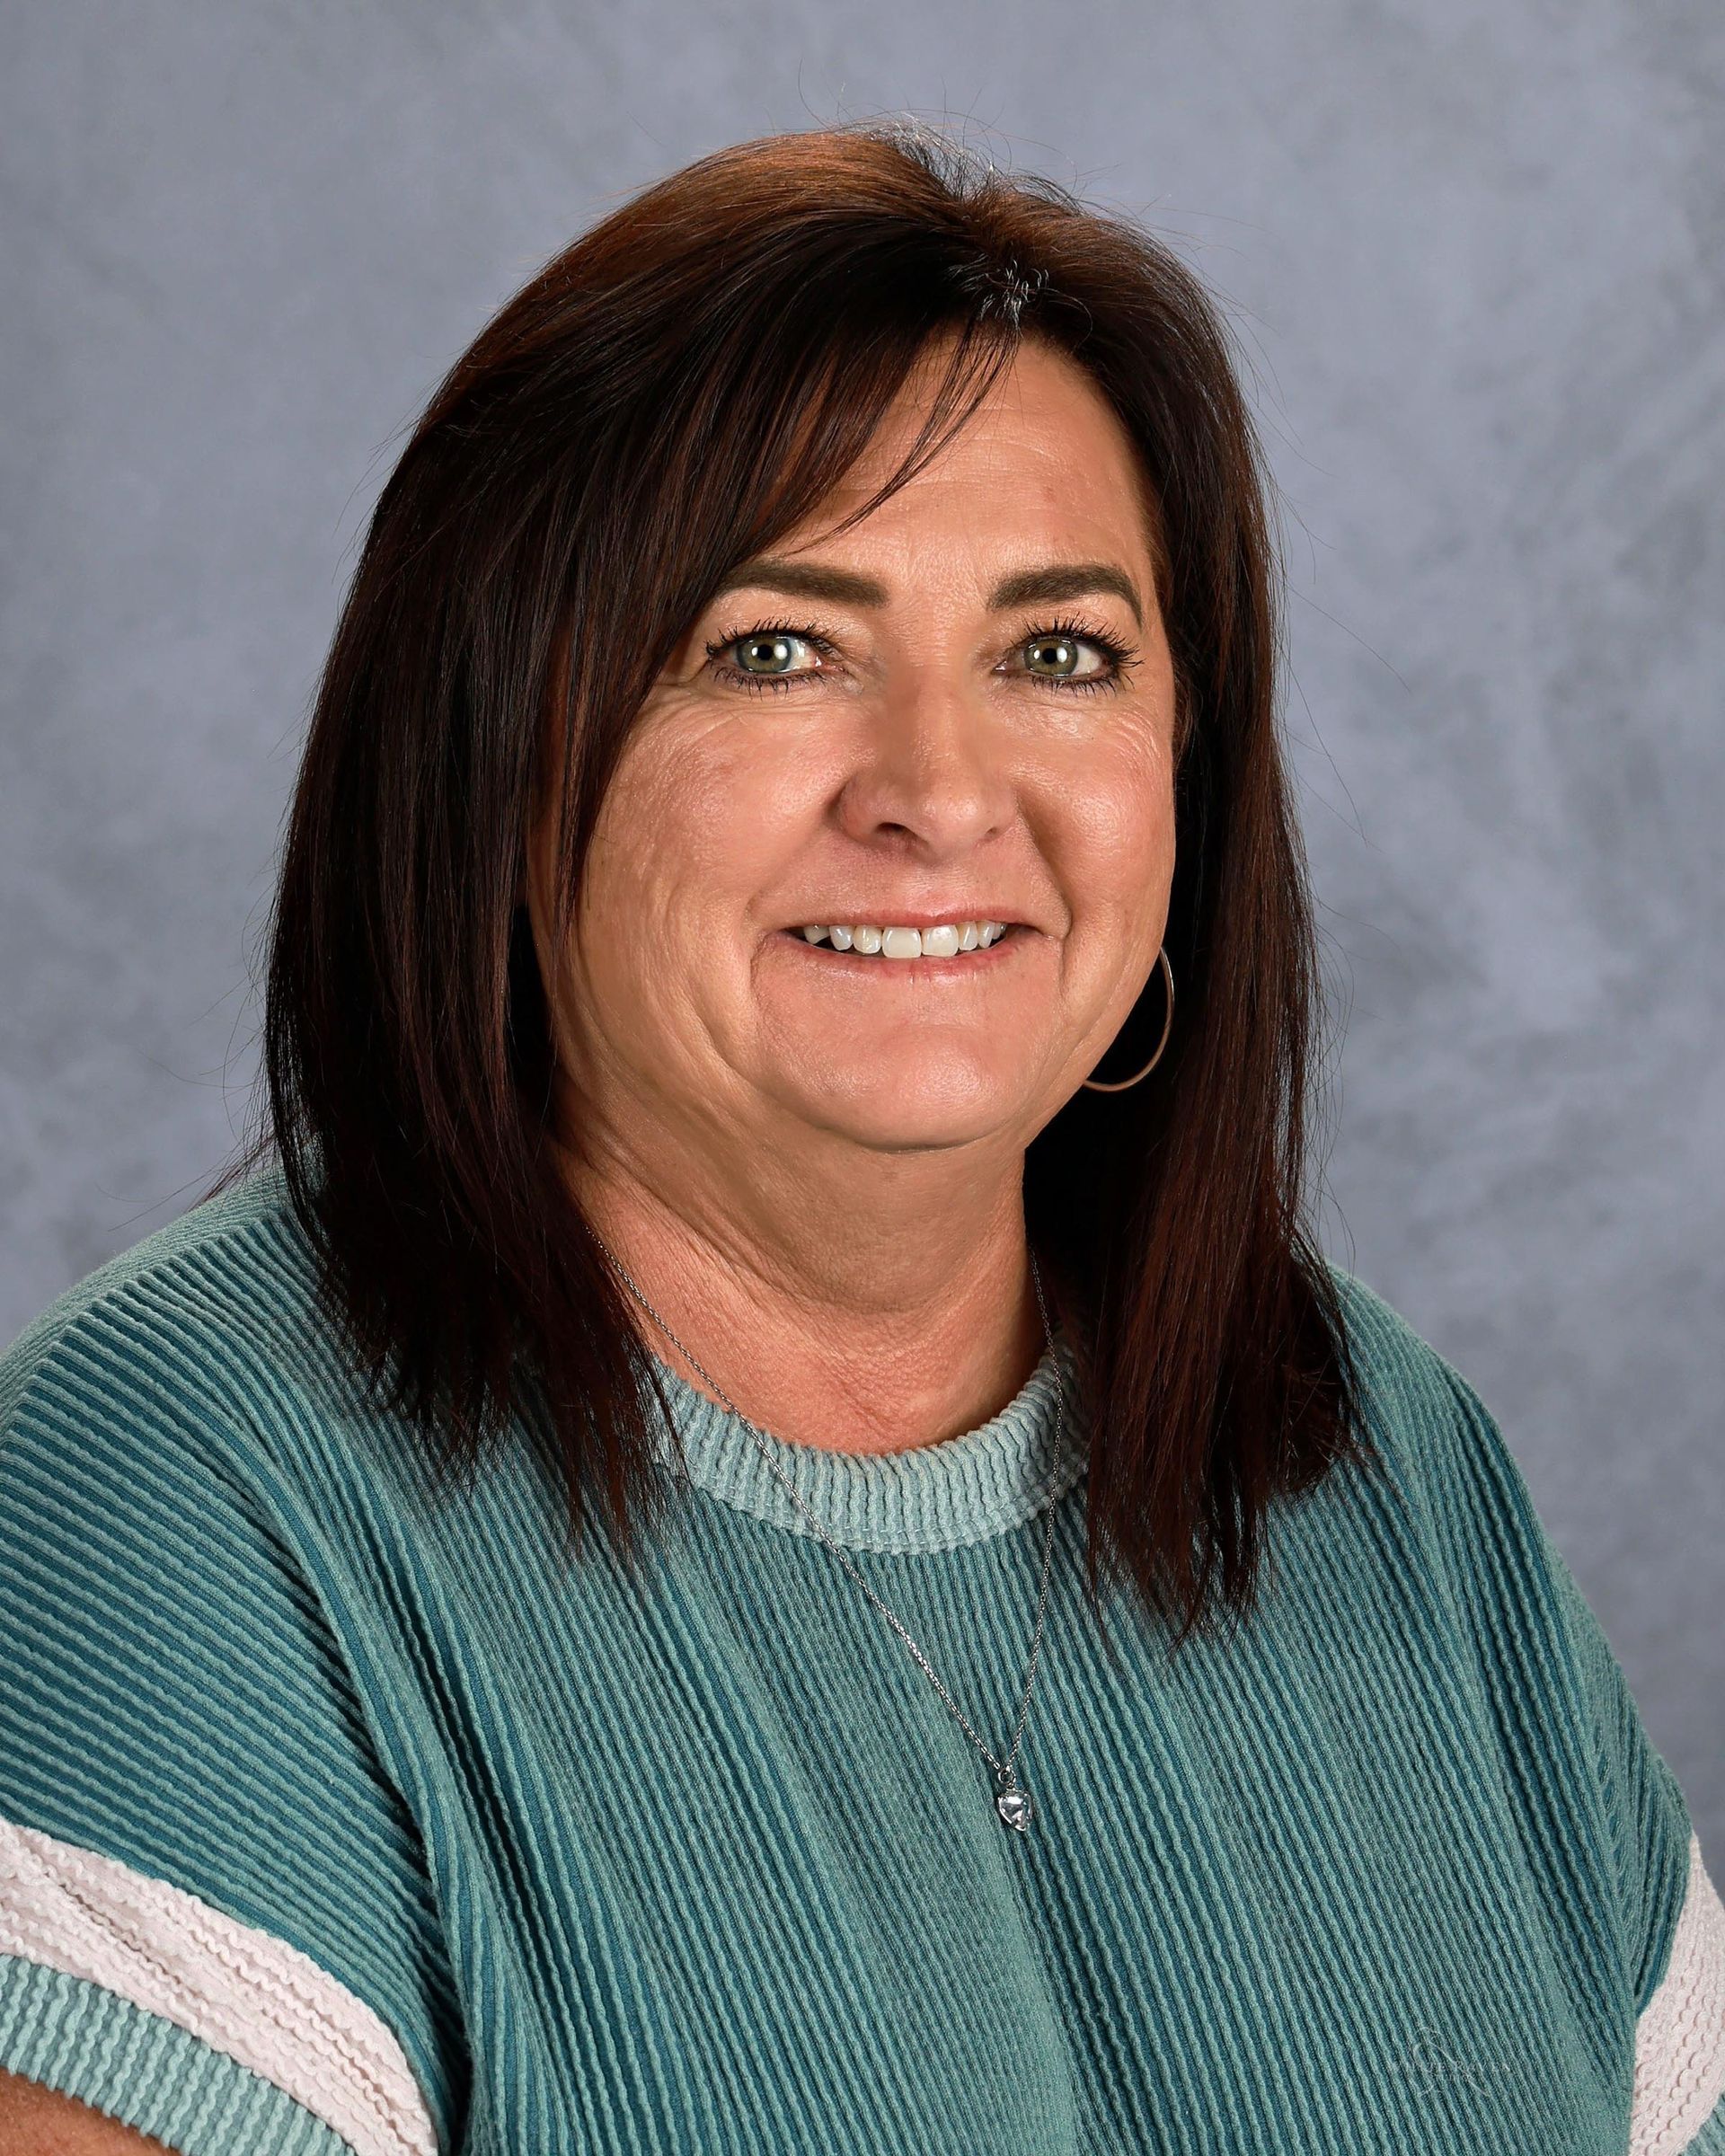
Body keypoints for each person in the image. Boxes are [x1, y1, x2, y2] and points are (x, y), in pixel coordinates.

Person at [1, 118, 1719, 2156]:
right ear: (496, 748)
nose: (938, 791)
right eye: (775, 649)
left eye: (1058, 653)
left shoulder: (1382, 1464)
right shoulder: (162, 1515)